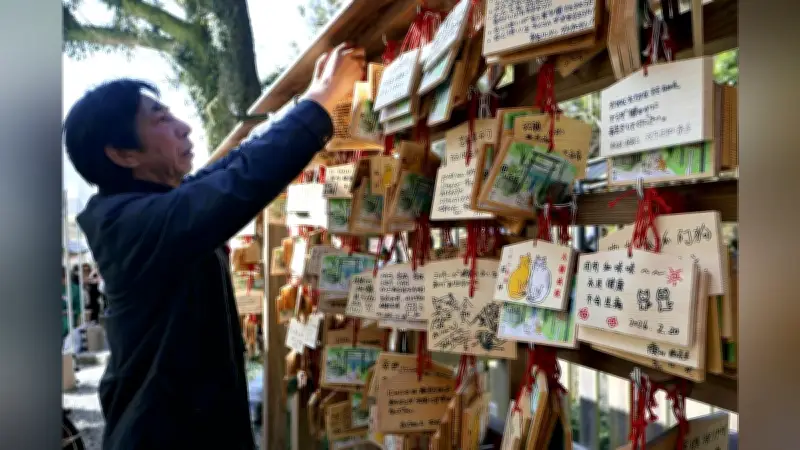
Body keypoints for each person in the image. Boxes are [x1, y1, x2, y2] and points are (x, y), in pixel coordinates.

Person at [63, 42, 364, 450]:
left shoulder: (152, 209)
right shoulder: (129, 226)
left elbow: (225, 170)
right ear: (122, 153)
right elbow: (233, 184)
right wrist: (320, 103)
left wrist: (308, 106)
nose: (183, 127)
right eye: (161, 120)